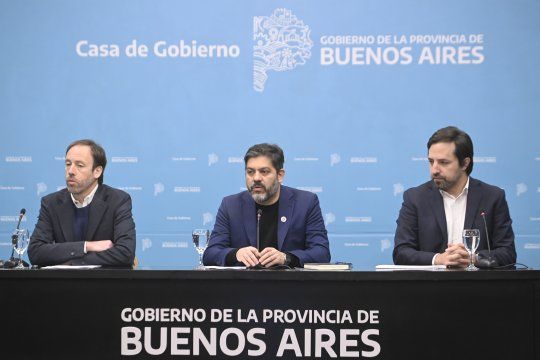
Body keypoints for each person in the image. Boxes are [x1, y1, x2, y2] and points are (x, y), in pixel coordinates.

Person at [393, 126, 516, 267]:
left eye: (443, 162)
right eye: (431, 161)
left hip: (479, 286)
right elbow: (401, 253)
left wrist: (473, 258)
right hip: (430, 286)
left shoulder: (493, 197)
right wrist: (439, 259)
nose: (434, 170)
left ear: (465, 163)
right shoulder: (415, 198)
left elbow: (508, 253)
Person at [203, 143, 330, 268]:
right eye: (250, 172)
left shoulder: (306, 203)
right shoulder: (231, 205)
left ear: (280, 175)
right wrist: (236, 253)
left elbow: (321, 253)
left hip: (290, 285)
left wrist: (286, 258)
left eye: (264, 172)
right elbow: (210, 254)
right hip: (244, 285)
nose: (256, 178)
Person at [28, 139, 136, 267]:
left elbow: (125, 253)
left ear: (97, 171)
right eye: (68, 164)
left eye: (79, 165)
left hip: (105, 284)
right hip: (62, 285)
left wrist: (73, 261)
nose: (71, 171)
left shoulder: (117, 200)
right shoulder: (51, 203)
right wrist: (86, 246)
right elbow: (35, 252)